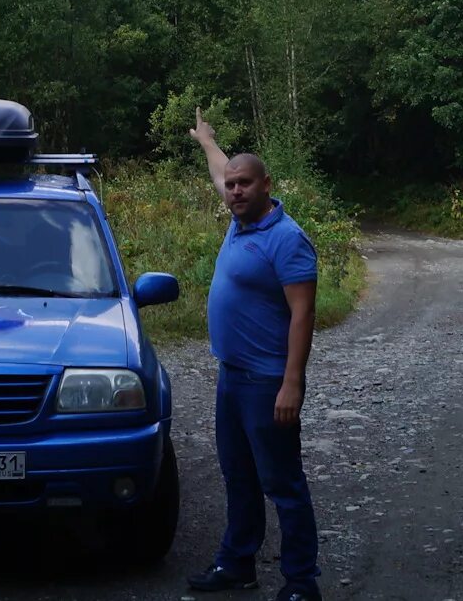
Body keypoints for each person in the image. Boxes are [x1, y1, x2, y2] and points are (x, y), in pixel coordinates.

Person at [186, 108, 321, 601]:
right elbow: (220, 170)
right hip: (232, 377)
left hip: (267, 382)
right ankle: (238, 563)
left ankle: (301, 582)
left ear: (266, 185)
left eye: (245, 184)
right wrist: (207, 140)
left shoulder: (286, 239)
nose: (235, 191)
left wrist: (292, 383)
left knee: (282, 483)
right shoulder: (239, 220)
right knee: (238, 476)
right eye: (231, 185)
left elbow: (303, 314)